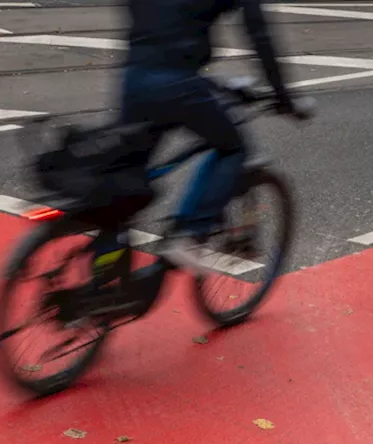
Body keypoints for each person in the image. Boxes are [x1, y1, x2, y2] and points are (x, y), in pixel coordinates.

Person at [120, 0, 309, 269]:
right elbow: (259, 33)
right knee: (233, 148)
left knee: (126, 179)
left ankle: (105, 273)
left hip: (134, 77)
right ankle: (190, 234)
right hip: (178, 82)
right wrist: (284, 97)